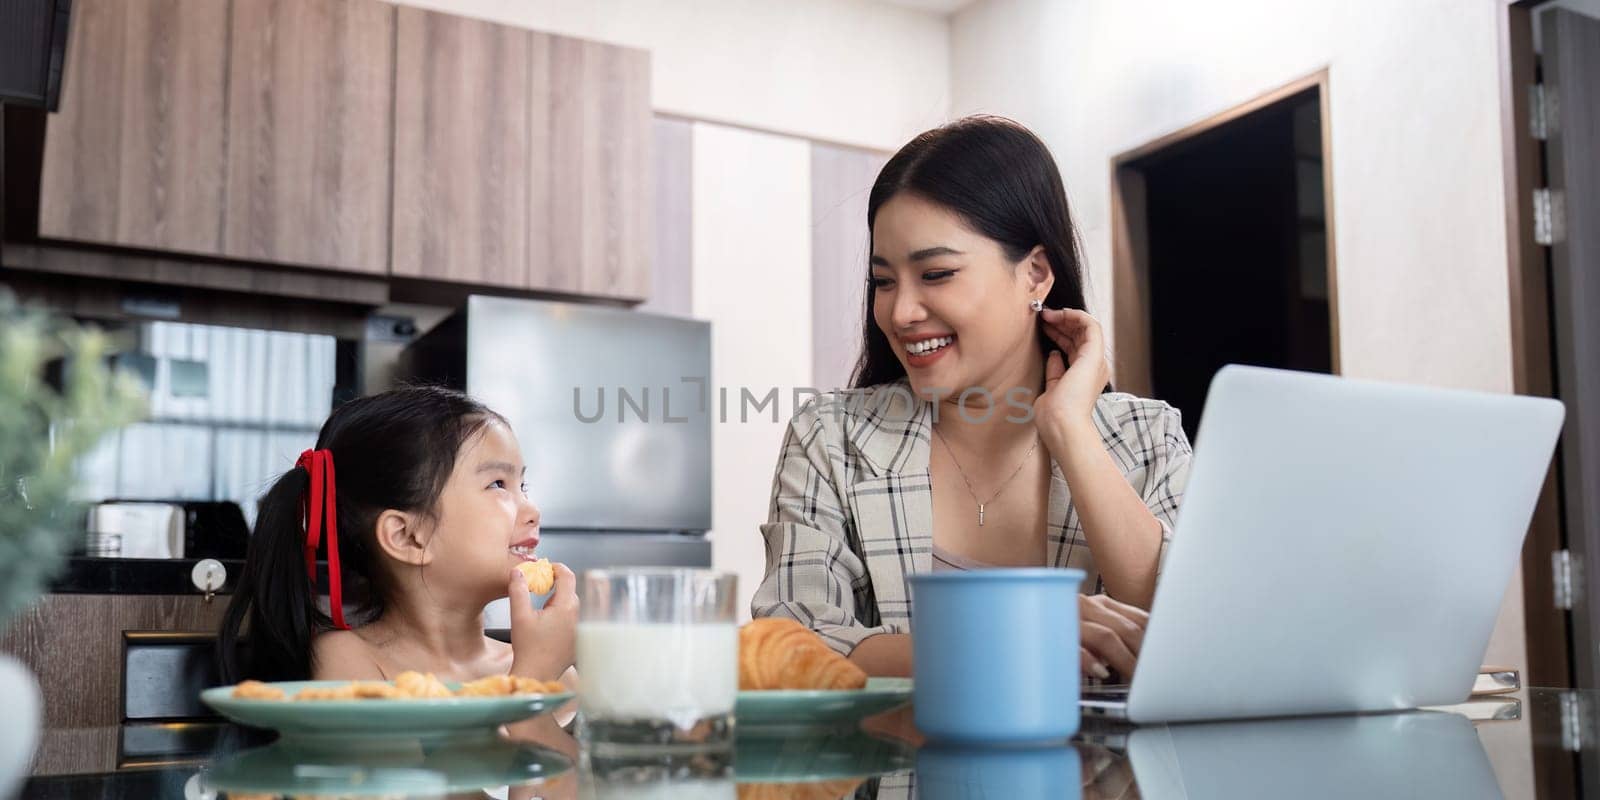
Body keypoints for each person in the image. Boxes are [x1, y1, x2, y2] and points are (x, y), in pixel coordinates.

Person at [752, 115, 1193, 681]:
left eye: (936, 274)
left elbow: (1183, 632)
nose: (901, 312)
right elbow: (791, 646)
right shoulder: (830, 438)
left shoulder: (1145, 436)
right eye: (883, 282)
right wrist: (1009, 640)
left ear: (1035, 274)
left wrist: (1071, 431)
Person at [217, 385, 577, 686]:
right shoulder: (350, 661)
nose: (533, 511)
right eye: (498, 484)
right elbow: (425, 772)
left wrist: (539, 668)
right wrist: (532, 679)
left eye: (522, 484)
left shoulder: (547, 667)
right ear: (408, 537)